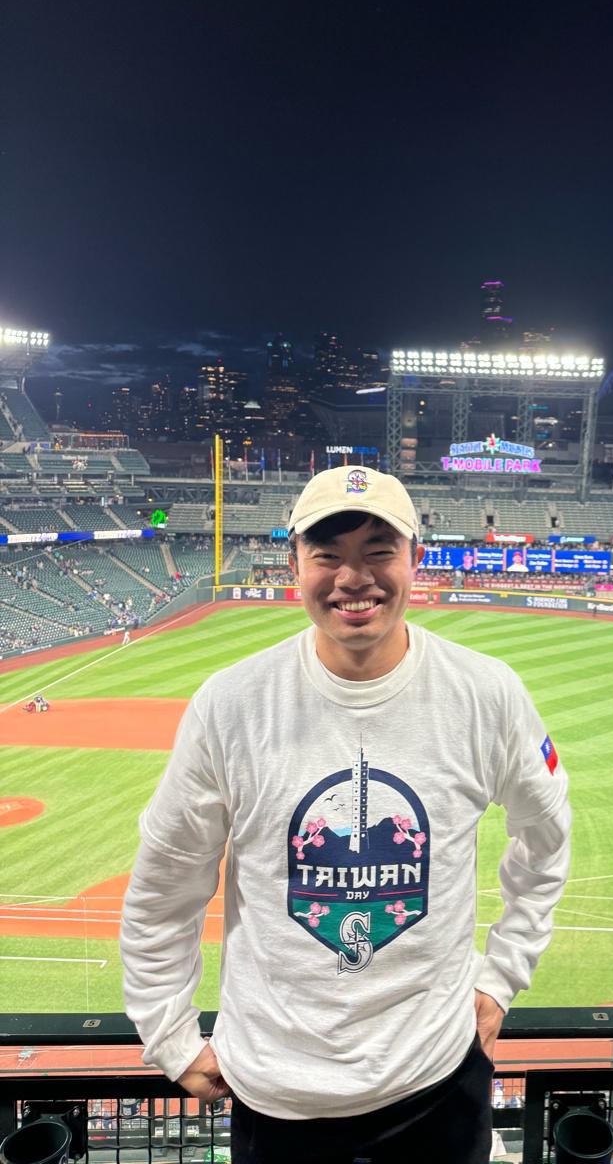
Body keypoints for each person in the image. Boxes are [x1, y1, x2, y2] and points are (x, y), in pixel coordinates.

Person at [120, 466, 570, 1164]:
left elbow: (547, 837)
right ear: (294, 565)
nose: (353, 578)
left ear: (416, 559)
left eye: (378, 551)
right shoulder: (230, 705)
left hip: (437, 1083)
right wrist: (170, 1036)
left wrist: (503, 974)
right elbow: (163, 887)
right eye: (328, 555)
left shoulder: (487, 694)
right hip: (276, 1094)